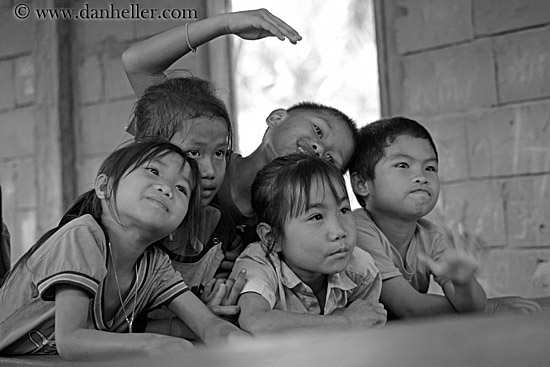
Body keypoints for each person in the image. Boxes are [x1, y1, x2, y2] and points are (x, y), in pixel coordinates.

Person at [122, 8, 358, 248]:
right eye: (318, 131)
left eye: (330, 159)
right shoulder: (191, 129)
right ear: (277, 118)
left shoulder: (288, 228)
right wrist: (225, 24)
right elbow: (137, 65)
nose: (319, 148)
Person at [0, 140, 247, 360]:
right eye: (153, 171)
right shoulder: (82, 236)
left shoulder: (155, 265)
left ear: (178, 225)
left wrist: (245, 343)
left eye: (182, 189)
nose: (166, 188)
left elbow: (209, 326)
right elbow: (71, 340)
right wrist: (156, 344)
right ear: (104, 187)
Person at [349, 116, 541, 319]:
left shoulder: (433, 235)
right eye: (403, 165)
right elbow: (409, 308)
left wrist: (463, 283)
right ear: (362, 184)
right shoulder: (356, 230)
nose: (422, 177)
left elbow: (467, 304)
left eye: (430, 168)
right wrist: (490, 308)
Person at [128, 77, 245, 321]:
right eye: (194, 153)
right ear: (148, 150)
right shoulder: (108, 223)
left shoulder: (221, 229)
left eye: (220, 153)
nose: (210, 170)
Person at [229, 154, 386, 335]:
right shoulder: (258, 262)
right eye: (316, 217)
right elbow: (256, 322)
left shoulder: (360, 269)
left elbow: (368, 326)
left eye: (344, 210)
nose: (339, 232)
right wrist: (345, 321)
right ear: (272, 237)